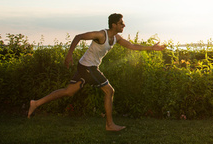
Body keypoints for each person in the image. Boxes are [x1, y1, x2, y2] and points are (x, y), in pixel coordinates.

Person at [28, 13, 165, 131]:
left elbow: (132, 46)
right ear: (113, 25)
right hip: (88, 67)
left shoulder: (116, 38)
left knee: (69, 91)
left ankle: (36, 103)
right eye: (121, 23)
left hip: (86, 66)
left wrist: (152, 48)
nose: (124, 25)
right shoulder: (100, 35)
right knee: (109, 91)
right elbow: (78, 37)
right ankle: (109, 124)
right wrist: (69, 55)